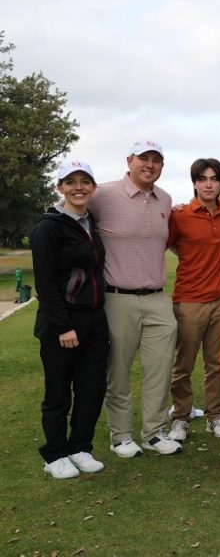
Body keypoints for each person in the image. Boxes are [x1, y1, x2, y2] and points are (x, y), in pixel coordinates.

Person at [89, 140, 181, 457]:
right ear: (129, 160)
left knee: (160, 368)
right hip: (117, 297)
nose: (150, 164)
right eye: (144, 158)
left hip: (157, 297)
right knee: (118, 369)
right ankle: (122, 435)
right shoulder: (103, 194)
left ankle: (154, 432)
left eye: (157, 159)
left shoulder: (165, 200)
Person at [31, 159, 109, 478]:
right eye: (71, 182)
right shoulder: (48, 227)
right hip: (61, 322)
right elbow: (46, 283)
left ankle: (80, 447)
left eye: (85, 181)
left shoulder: (91, 223)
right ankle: (55, 454)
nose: (79, 187)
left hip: (94, 318)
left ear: (93, 187)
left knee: (91, 389)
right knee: (59, 391)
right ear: (60, 187)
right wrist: (63, 325)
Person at [166, 158, 220, 445]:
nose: (209, 183)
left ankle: (215, 416)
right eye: (203, 178)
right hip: (189, 299)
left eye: (214, 178)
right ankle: (180, 417)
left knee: (217, 363)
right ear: (194, 182)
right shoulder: (179, 214)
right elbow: (167, 241)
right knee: (183, 364)